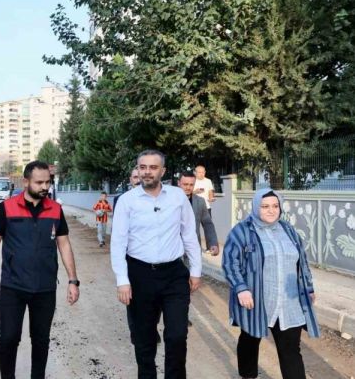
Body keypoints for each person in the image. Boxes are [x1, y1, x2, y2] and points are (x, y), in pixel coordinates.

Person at [0, 160, 79, 379]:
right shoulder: (7, 208)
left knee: (41, 339)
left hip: (44, 288)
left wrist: (73, 280)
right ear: (26, 182)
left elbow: (64, 244)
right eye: (39, 182)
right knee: (8, 338)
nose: (45, 187)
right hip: (13, 287)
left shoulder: (55, 210)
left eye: (48, 182)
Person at [111, 150, 201, 379]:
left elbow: (189, 234)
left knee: (177, 336)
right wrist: (123, 281)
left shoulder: (178, 197)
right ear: (138, 170)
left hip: (174, 274)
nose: (147, 172)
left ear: (163, 171)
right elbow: (118, 243)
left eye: (152, 167)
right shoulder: (127, 201)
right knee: (144, 338)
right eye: (142, 167)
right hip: (140, 275)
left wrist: (196, 270)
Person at [222, 189, 319, 379]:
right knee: (250, 338)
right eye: (265, 206)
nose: (271, 210)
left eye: (275, 206)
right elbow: (230, 263)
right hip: (256, 298)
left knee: (291, 349)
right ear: (256, 207)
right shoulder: (242, 231)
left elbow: (302, 261)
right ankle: (248, 375)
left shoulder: (288, 230)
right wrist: (241, 289)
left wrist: (308, 287)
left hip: (289, 302)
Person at [178, 171, 219, 256]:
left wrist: (213, 243)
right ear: (179, 183)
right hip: (172, 252)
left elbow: (208, 224)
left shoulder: (200, 202)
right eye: (185, 184)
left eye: (191, 185)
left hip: (193, 251)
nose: (188, 187)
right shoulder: (169, 201)